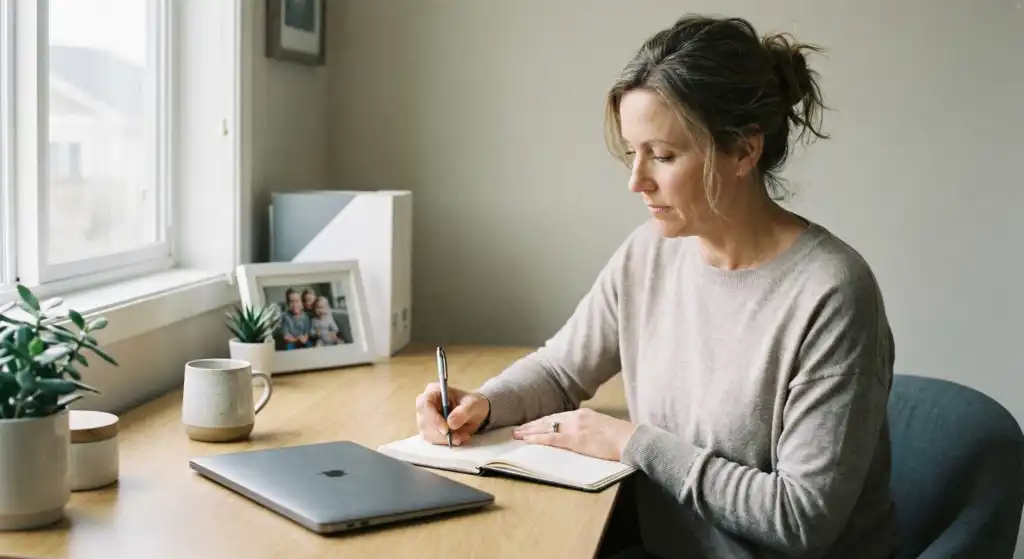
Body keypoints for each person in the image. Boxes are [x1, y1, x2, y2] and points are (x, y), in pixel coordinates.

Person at [414, 13, 899, 559]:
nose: (636, 180)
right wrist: (482, 403)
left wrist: (632, 443)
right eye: (632, 152)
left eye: (663, 156)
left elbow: (800, 518)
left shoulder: (832, 293)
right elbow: (560, 369)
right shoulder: (651, 251)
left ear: (744, 150)